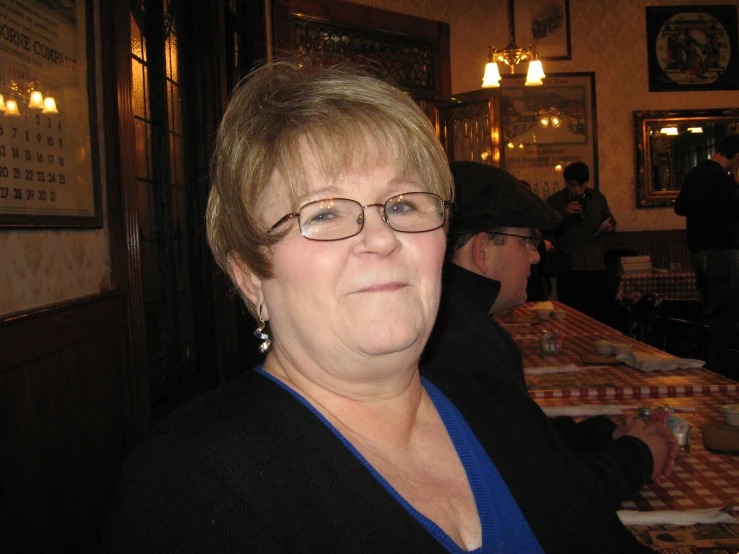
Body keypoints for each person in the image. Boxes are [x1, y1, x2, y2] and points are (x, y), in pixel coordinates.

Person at [100, 60, 653, 553]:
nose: (382, 238)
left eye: (405, 203)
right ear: (251, 277)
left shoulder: (490, 404)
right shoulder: (190, 487)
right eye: (322, 214)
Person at [423, 161, 678, 507]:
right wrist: (641, 456)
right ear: (482, 251)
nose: (535, 256)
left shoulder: (455, 320)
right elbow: (547, 497)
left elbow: (523, 445)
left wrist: (607, 436)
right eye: (528, 240)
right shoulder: (465, 342)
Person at [674, 134, 739, 374]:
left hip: (698, 252)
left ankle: (705, 362)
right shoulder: (722, 179)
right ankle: (720, 368)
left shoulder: (695, 173)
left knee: (708, 309)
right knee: (725, 315)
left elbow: (679, 208)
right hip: (721, 251)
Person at [546, 162, 617, 322]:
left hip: (595, 263)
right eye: (573, 185)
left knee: (597, 312)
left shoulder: (597, 198)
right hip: (569, 266)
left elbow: (609, 219)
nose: (578, 189)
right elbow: (546, 228)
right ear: (566, 183)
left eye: (581, 185)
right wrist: (564, 213)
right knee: (571, 313)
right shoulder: (556, 200)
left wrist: (610, 227)